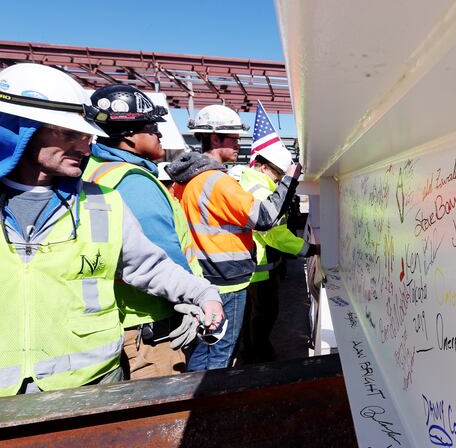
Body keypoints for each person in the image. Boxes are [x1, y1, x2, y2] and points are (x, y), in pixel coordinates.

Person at [0, 63, 224, 396]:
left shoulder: (103, 202)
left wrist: (202, 293)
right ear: (21, 130)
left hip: (93, 385)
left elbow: (149, 265)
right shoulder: (132, 182)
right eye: (68, 132)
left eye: (87, 135)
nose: (85, 147)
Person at [166, 104, 302, 371]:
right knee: (219, 353)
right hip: (225, 280)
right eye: (234, 139)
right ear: (215, 138)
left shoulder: (186, 181)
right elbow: (264, 218)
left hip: (201, 275)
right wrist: (289, 180)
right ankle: (211, 404)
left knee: (204, 348)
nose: (239, 145)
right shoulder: (217, 181)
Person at [82, 84, 203, 379]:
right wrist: (189, 299)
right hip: (151, 325)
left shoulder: (95, 169)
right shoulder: (133, 181)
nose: (159, 133)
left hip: (121, 318)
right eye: (151, 127)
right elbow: (161, 254)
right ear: (128, 135)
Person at [238, 146, 320, 363]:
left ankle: (249, 353)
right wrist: (309, 249)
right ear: (263, 167)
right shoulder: (261, 190)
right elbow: (274, 234)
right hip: (261, 270)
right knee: (264, 314)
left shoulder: (250, 183)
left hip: (251, 266)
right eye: (277, 174)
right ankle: (261, 358)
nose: (278, 180)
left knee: (250, 316)